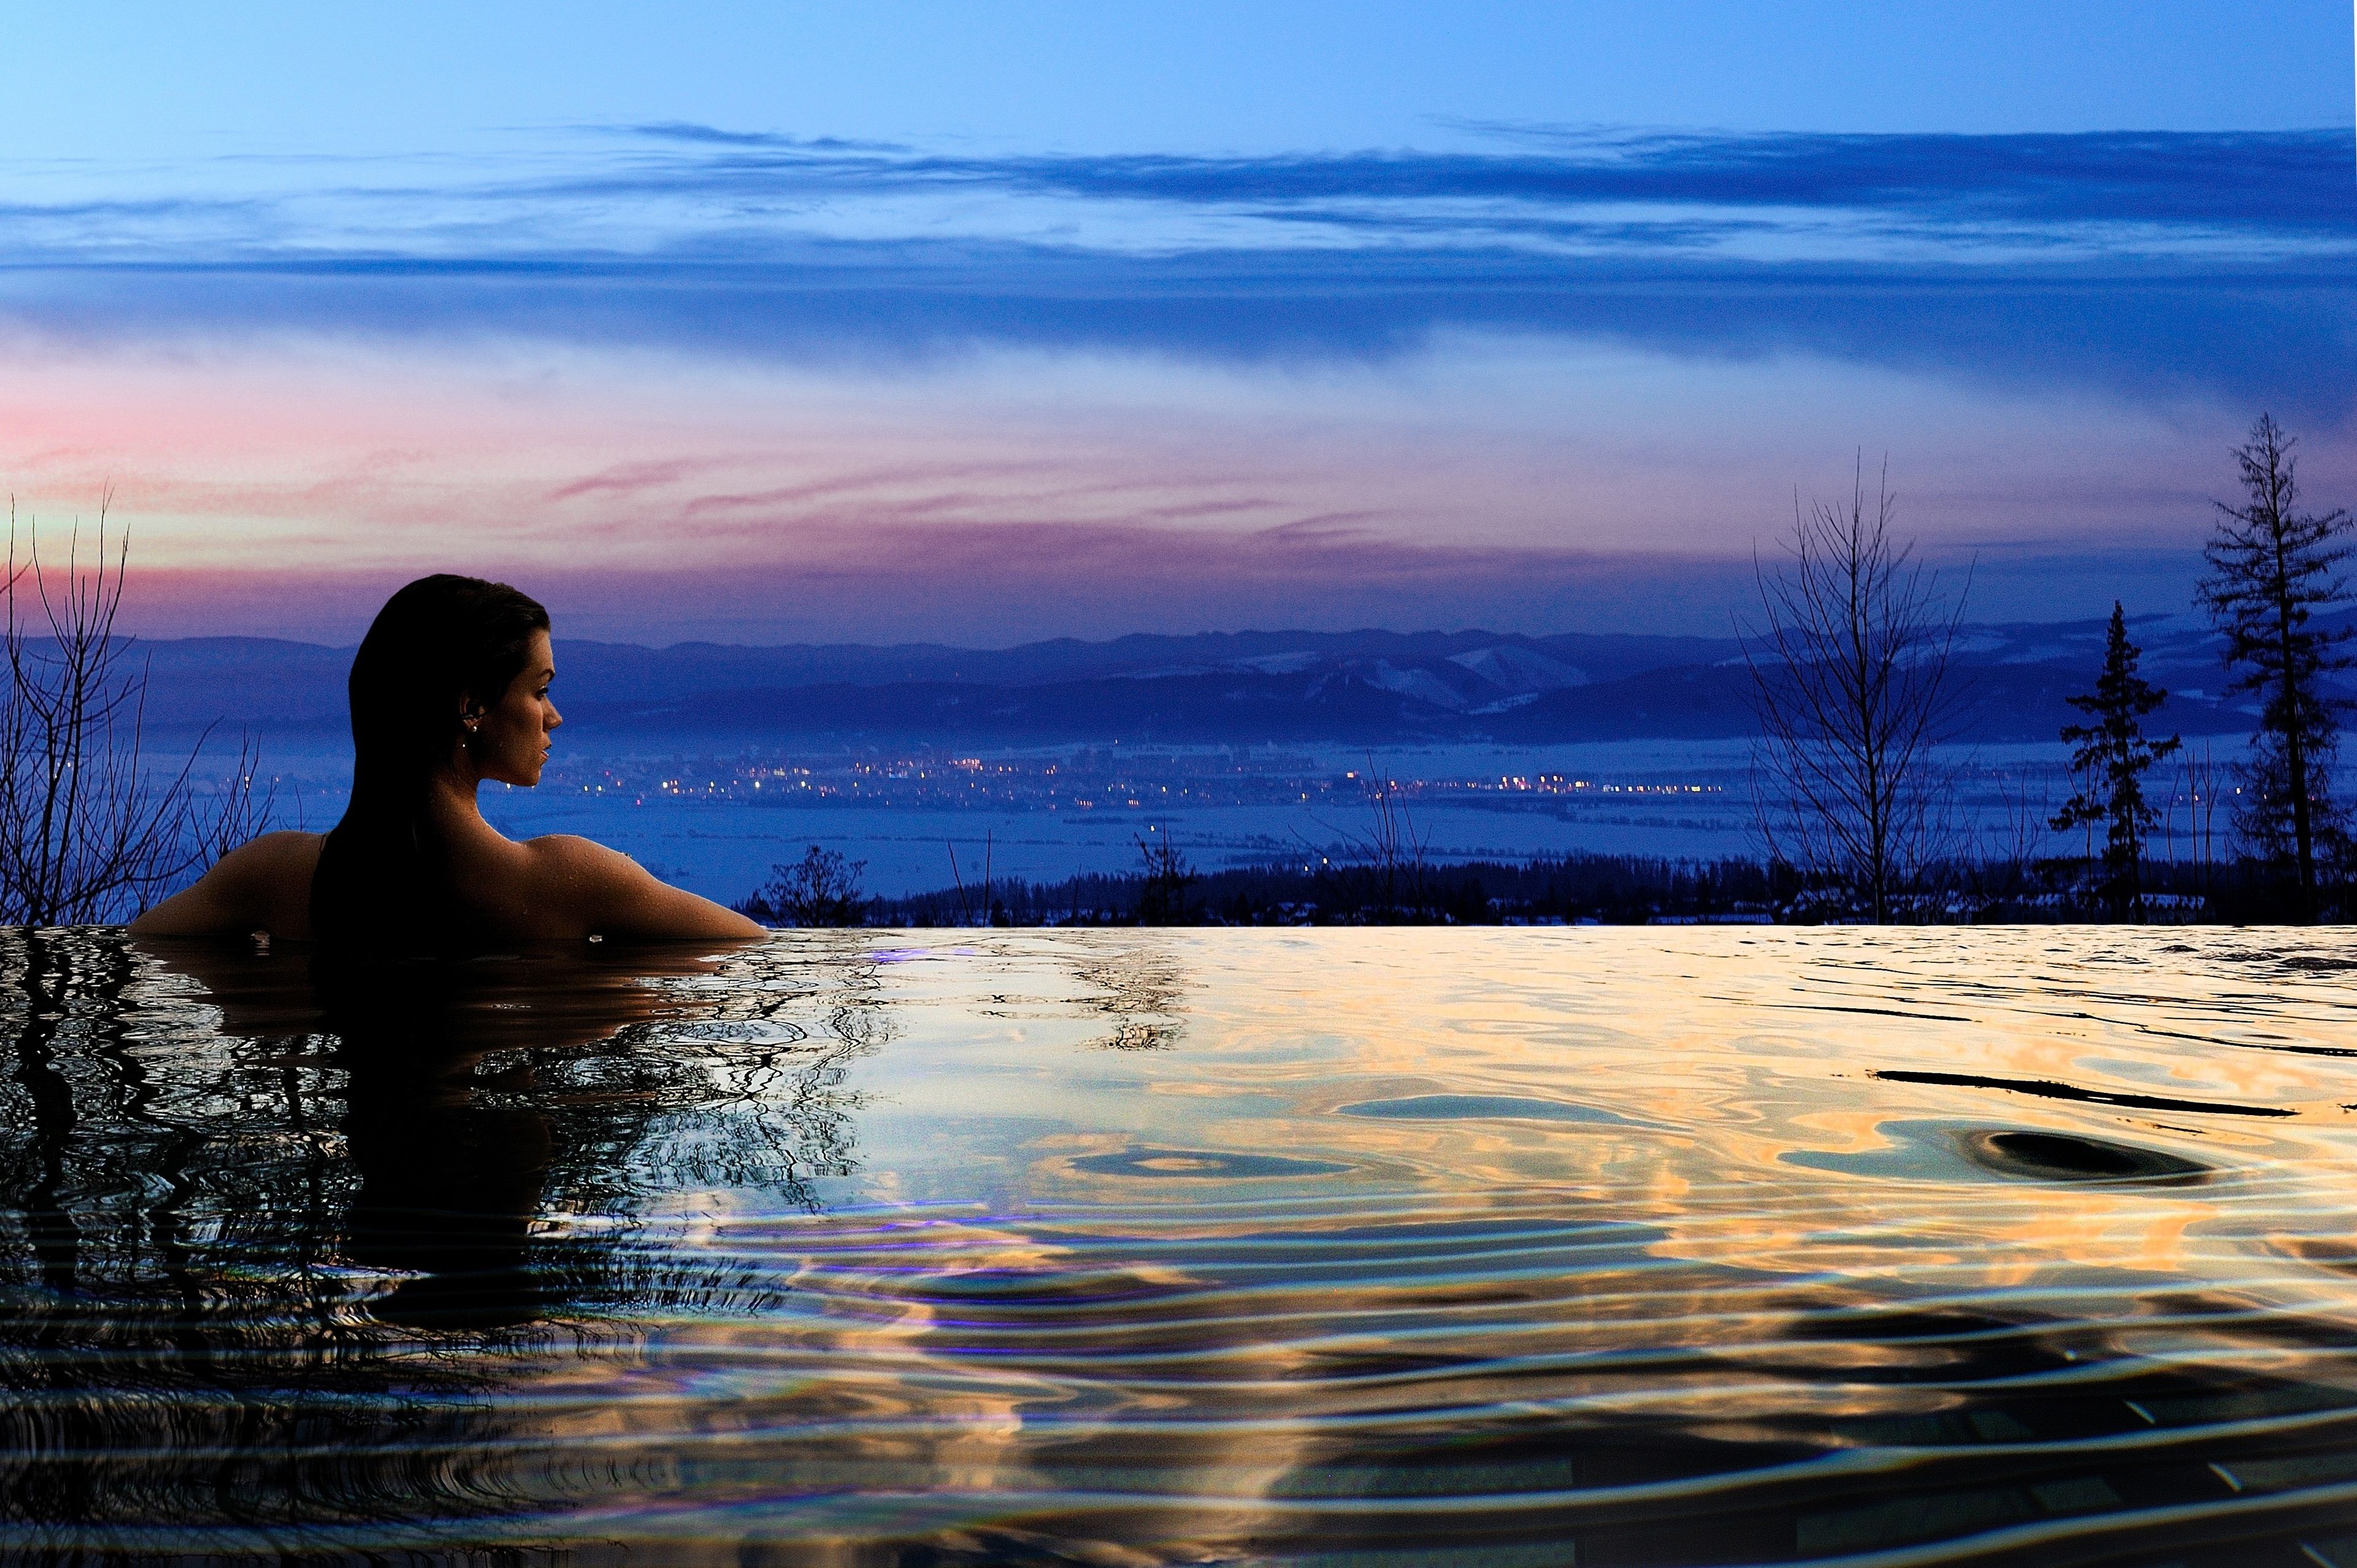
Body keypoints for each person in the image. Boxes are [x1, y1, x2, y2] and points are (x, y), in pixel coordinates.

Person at [131, 574, 764, 943]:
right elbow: (759, 953)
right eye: (539, 690)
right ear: (472, 707)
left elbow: (134, 953)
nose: (553, 715)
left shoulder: (273, 877)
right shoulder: (572, 882)